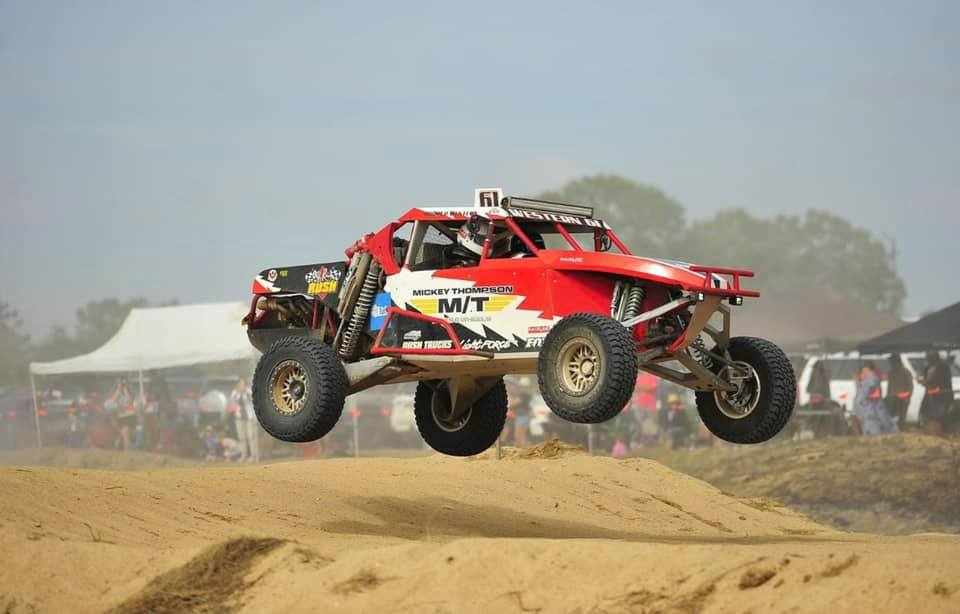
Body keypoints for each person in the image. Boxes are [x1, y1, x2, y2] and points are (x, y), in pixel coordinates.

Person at [853, 362, 898, 436]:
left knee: (875, 425)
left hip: (872, 408)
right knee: (870, 425)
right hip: (867, 408)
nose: (863, 372)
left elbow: (868, 392)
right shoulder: (867, 379)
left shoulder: (872, 378)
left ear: (869, 370)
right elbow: (861, 391)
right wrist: (857, 382)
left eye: (865, 370)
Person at [918, 350, 953, 437]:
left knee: (938, 417)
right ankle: (931, 433)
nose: (928, 359)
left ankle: (938, 434)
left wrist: (927, 382)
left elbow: (941, 381)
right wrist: (923, 382)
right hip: (929, 395)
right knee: (928, 414)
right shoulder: (928, 368)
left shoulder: (943, 367)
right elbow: (927, 380)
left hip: (941, 396)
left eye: (930, 357)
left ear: (935, 357)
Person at [230, 378, 260, 462]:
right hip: (239, 418)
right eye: (240, 384)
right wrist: (238, 393)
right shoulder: (234, 393)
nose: (241, 386)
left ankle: (254, 456)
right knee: (242, 438)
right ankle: (244, 455)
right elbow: (232, 405)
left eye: (243, 384)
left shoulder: (248, 392)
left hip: (250, 418)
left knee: (252, 437)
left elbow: (252, 400)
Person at [885, 354, 913, 430]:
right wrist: (888, 397)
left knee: (901, 419)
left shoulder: (905, 372)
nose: (891, 363)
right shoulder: (891, 372)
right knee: (891, 419)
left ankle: (902, 433)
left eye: (892, 361)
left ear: (897, 361)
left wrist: (907, 397)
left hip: (902, 399)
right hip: (892, 399)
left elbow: (910, 386)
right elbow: (889, 387)